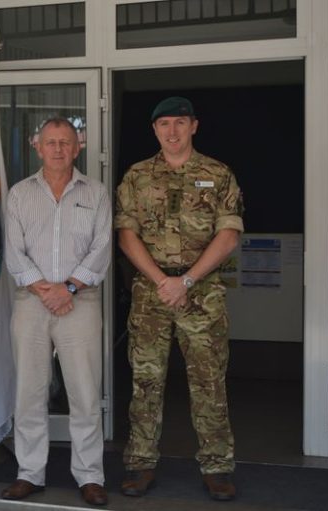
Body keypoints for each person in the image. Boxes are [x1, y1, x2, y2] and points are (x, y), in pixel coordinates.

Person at [115, 97, 244, 501]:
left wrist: (186, 280)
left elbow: (229, 235)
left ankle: (217, 467)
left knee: (209, 381)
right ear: (154, 130)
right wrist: (162, 281)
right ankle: (141, 464)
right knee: (146, 380)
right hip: (151, 294)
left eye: (180, 123)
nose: (172, 131)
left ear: (194, 126)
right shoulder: (136, 176)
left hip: (201, 293)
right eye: (164, 124)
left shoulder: (217, 174)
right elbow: (126, 236)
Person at [3, 117, 112, 507]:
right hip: (31, 303)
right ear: (37, 146)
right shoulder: (19, 194)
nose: (58, 149)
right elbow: (14, 251)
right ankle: (29, 473)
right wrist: (45, 290)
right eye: (51, 142)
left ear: (77, 147)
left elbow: (101, 247)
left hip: (80, 302)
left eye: (66, 142)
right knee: (29, 392)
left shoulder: (96, 192)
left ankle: (90, 475)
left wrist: (68, 288)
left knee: (84, 393)